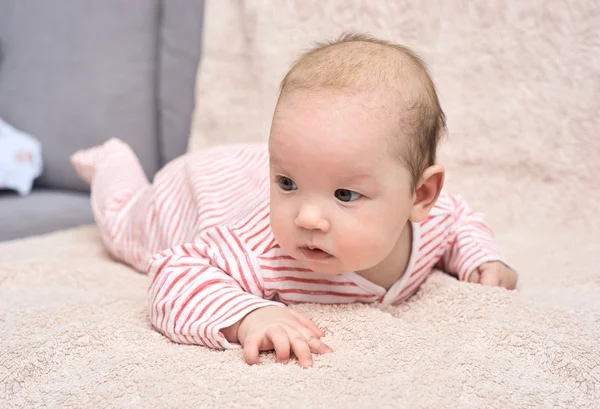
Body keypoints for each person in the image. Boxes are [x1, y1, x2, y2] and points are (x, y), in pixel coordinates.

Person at [71, 33, 518, 368]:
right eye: (286, 183)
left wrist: (481, 260)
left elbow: (460, 220)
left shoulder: (433, 221)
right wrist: (249, 314)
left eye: (345, 194)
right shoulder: (261, 251)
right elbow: (174, 273)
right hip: (194, 189)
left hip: (256, 168)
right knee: (123, 222)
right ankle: (113, 159)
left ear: (419, 196)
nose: (306, 218)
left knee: (312, 169)